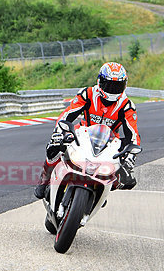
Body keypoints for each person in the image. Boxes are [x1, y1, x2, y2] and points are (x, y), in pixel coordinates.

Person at [34, 62, 140, 199]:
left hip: (109, 142)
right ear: (100, 81)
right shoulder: (88, 94)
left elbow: (133, 134)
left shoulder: (127, 106)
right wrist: (59, 132)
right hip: (82, 133)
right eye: (108, 84)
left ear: (124, 86)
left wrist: (131, 155)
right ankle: (45, 179)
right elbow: (67, 115)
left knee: (127, 178)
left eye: (116, 86)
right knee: (54, 147)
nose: (112, 89)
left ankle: (100, 192)